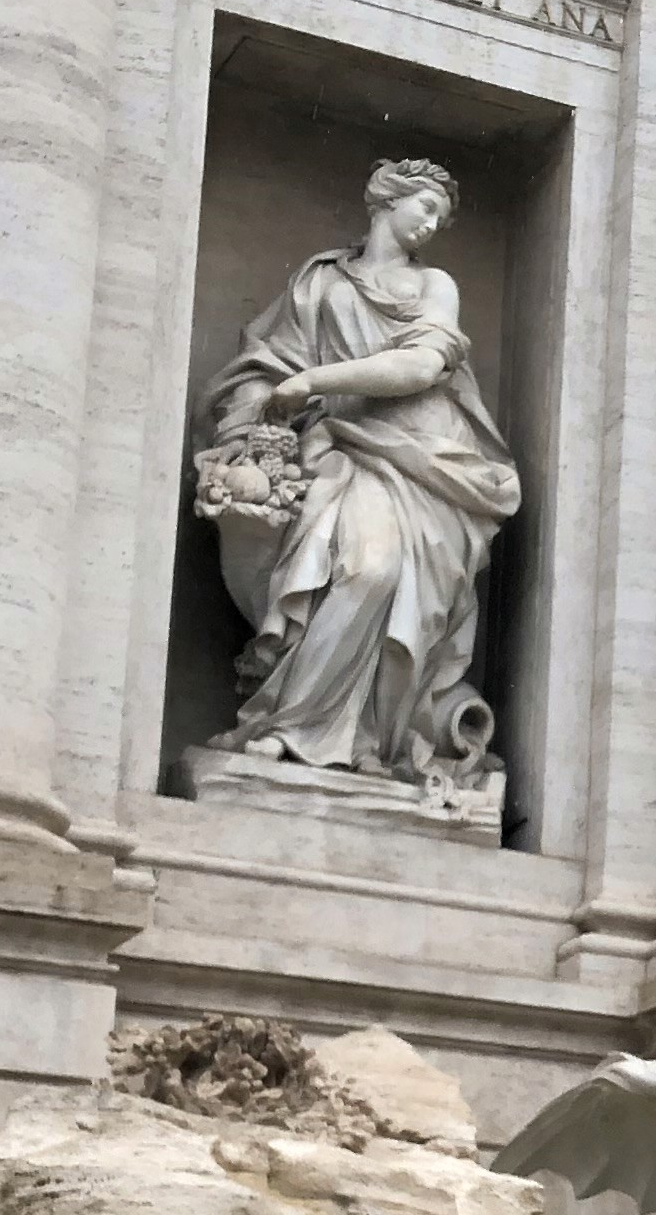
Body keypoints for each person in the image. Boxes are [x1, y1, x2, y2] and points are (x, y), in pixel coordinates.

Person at [192, 157, 520, 789]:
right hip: (338, 447)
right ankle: (299, 728)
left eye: (443, 218)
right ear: (385, 201)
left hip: (427, 460)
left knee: (380, 573)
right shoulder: (319, 282)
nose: (432, 225)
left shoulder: (435, 287)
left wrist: (314, 380)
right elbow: (267, 365)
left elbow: (422, 367)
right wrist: (263, 406)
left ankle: (362, 737)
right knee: (353, 567)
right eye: (425, 208)